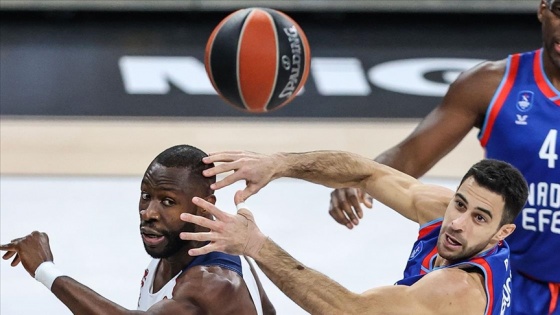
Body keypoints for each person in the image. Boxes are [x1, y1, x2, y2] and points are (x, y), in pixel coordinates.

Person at [328, 0, 560, 314]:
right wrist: (361, 176)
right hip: (506, 278)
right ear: (543, 9)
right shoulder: (490, 84)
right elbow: (410, 155)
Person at [179, 150, 528, 315]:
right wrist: (279, 164)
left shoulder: (459, 289)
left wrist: (256, 244)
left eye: (480, 218)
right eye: (461, 204)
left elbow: (350, 312)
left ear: (502, 233)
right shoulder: (447, 211)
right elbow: (368, 174)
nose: (458, 223)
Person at [0, 145, 275, 315]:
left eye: (167, 202)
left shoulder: (213, 283)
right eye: (146, 196)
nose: (149, 212)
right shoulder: (179, 247)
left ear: (204, 207)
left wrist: (45, 269)